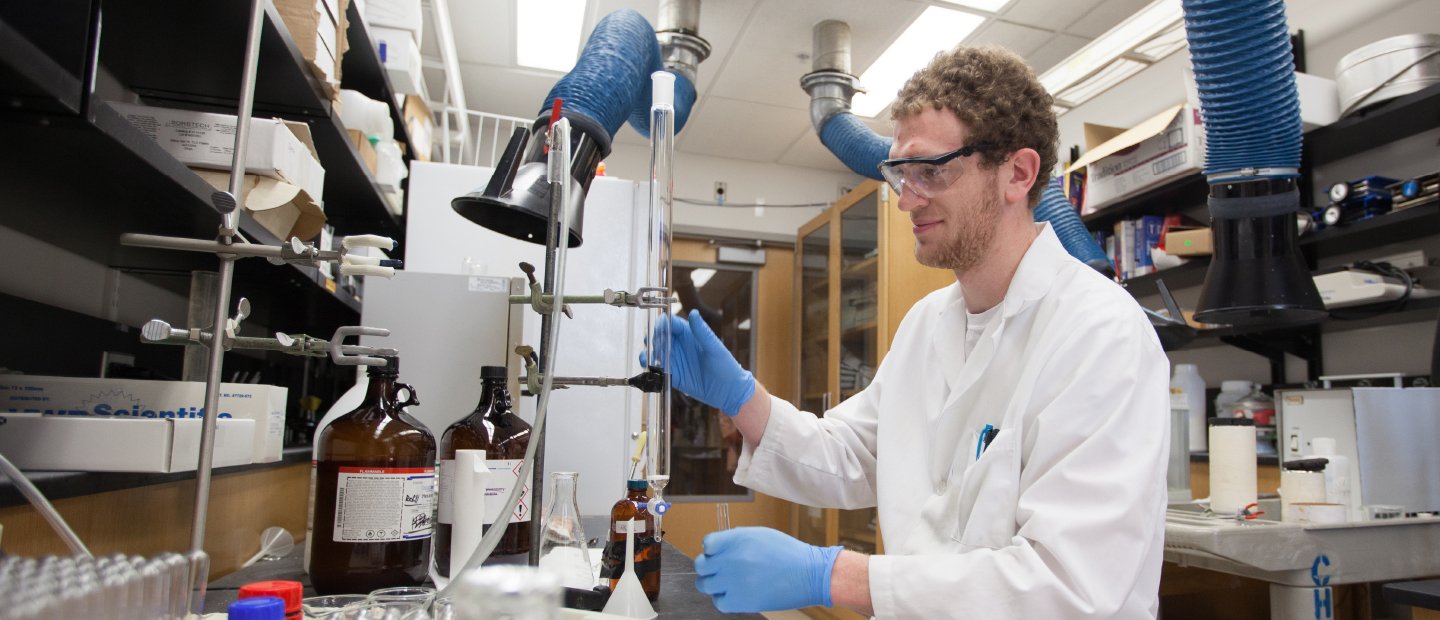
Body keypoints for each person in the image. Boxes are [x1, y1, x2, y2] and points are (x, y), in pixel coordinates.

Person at [663, 45, 1170, 618]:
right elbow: (854, 454)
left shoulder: (1100, 333)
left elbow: (1066, 586)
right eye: (900, 173)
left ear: (1018, 173)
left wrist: (832, 575)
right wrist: (739, 396)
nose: (906, 199)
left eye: (932, 170)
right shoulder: (928, 324)